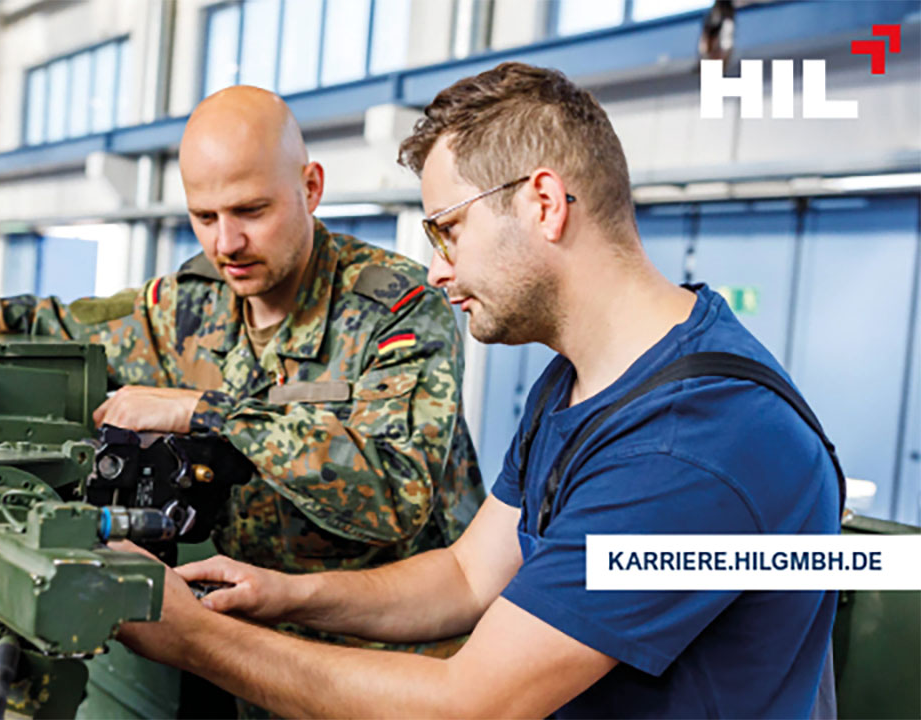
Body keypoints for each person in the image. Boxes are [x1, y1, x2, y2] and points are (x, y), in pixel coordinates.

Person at [112, 62, 842, 718]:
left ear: (544, 203)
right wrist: (283, 592)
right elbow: (467, 576)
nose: (436, 270)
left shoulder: (692, 444)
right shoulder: (579, 382)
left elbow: (473, 704)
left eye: (449, 230)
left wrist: (191, 635)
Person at [0, 86, 486, 650]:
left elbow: (394, 491)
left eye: (250, 210)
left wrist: (203, 411)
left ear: (312, 187)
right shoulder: (190, 304)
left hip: (399, 655)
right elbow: (48, 324)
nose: (226, 241)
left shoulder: (398, 309)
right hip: (254, 642)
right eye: (204, 216)